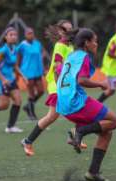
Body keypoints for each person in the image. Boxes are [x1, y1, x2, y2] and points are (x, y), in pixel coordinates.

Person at [58, 28, 116, 181]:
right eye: (95, 40)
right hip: (75, 101)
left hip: (64, 102)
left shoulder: (72, 56)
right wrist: (101, 84)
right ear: (86, 43)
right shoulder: (84, 57)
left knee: (107, 132)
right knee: (115, 121)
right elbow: (82, 80)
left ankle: (93, 173)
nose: (96, 44)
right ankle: (78, 131)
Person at [21, 20, 87, 157]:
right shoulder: (60, 46)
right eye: (66, 29)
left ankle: (74, 135)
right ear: (60, 31)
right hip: (57, 84)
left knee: (60, 113)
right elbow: (58, 68)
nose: (70, 31)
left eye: (71, 29)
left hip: (64, 84)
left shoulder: (70, 46)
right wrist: (61, 87)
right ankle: (74, 135)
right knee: (59, 114)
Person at [16, 27, 45, 120]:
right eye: (28, 33)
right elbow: (18, 58)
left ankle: (27, 106)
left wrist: (43, 66)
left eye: (32, 33)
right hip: (27, 71)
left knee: (41, 91)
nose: (31, 35)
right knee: (31, 93)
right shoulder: (22, 45)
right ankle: (31, 113)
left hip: (37, 70)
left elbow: (41, 54)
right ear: (25, 35)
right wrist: (18, 71)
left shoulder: (37, 44)